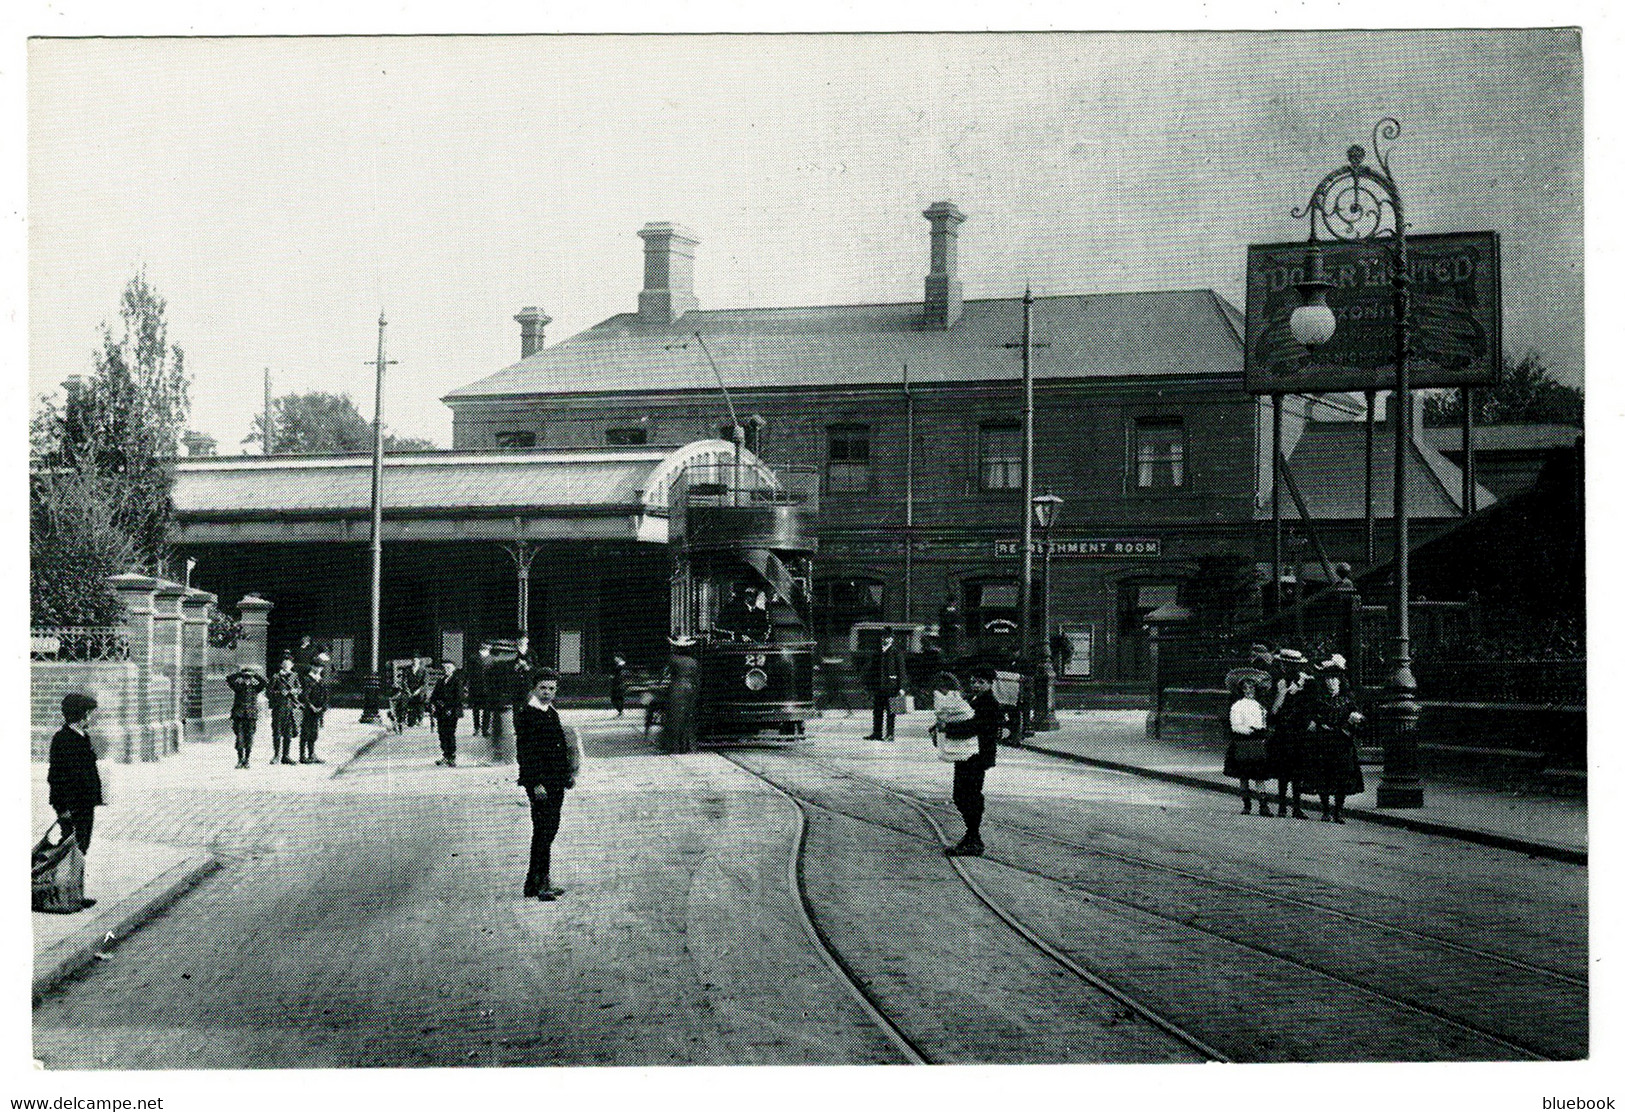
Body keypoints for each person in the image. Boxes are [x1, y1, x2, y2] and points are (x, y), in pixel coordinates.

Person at [514, 668, 581, 901]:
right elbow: (526, 753)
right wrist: (535, 784)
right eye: (543, 688)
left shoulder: (550, 712)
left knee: (548, 831)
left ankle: (536, 881)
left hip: (555, 781)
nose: (547, 692)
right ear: (534, 688)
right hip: (541, 785)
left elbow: (560, 747)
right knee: (543, 832)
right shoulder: (528, 714)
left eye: (552, 688)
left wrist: (568, 775)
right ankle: (539, 883)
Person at [1301, 655, 1366, 823]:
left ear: (1340, 681)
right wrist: (1315, 722)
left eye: (1334, 679)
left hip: (1342, 743)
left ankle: (1339, 810)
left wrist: (1354, 720)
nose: (1331, 682)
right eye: (1328, 679)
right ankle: (1325, 809)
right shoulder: (1319, 699)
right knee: (1323, 775)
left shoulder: (1348, 700)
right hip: (1323, 742)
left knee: (1342, 777)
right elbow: (1311, 718)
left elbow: (1360, 721)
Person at [946, 666, 1002, 856]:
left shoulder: (989, 703)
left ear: (990, 684)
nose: (976, 685)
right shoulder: (973, 700)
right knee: (961, 795)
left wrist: (947, 728)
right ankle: (972, 836)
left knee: (969, 795)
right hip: (966, 754)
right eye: (973, 682)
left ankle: (973, 838)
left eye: (981, 682)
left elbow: (972, 727)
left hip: (977, 756)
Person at [48, 694, 104, 879]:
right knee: (71, 847)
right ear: (82, 715)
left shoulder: (83, 736)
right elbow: (55, 777)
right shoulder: (62, 739)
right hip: (71, 804)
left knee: (82, 845)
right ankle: (66, 890)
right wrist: (62, 808)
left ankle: (74, 890)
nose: (91, 718)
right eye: (89, 714)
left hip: (85, 802)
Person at [1268, 648, 1314, 819]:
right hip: (1283, 732)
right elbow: (1272, 712)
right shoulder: (1279, 683)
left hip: (1298, 731)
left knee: (1297, 771)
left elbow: (1310, 706)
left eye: (1291, 665)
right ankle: (1282, 806)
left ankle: (1296, 807)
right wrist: (1281, 695)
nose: (1287, 667)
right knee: (1283, 771)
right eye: (1285, 664)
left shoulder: (1307, 682)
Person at [1222, 674, 1273, 815]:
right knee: (1244, 775)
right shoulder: (1237, 706)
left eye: (1252, 688)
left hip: (1258, 741)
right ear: (1242, 690)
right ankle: (1246, 804)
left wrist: (1262, 731)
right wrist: (1249, 730)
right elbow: (1235, 726)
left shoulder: (1259, 705)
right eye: (1246, 688)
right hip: (1243, 741)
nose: (1249, 690)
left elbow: (1264, 722)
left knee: (1259, 776)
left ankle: (1263, 805)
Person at [864, 628, 909, 741]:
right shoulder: (877, 652)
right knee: (877, 711)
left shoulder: (896, 652)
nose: (886, 639)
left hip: (891, 687)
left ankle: (890, 734)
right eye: (884, 637)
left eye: (888, 637)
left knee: (891, 712)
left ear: (892, 639)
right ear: (881, 638)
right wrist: (870, 687)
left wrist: (902, 687)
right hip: (879, 687)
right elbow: (872, 671)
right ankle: (877, 733)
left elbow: (902, 671)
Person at [661, 638, 701, 753]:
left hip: (676, 688)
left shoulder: (672, 659)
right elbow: (697, 679)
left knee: (674, 717)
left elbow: (664, 675)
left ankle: (674, 747)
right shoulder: (693, 661)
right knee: (688, 717)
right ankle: (687, 746)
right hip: (690, 689)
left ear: (677, 647)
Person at [226, 665, 268, 769]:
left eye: (249, 677)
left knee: (249, 738)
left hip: (251, 716)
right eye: (245, 677)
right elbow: (228, 679)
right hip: (239, 716)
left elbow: (265, 682)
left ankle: (247, 760)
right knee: (239, 739)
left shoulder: (255, 688)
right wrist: (240, 674)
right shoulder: (238, 687)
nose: (247, 679)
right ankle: (240, 760)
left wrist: (255, 675)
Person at [267, 653, 303, 765]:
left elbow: (299, 688)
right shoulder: (276, 677)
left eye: (289, 663)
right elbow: (269, 692)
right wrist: (279, 693)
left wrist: (294, 691)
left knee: (288, 733)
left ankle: (286, 756)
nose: (287, 665)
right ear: (281, 665)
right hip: (279, 708)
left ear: (292, 665)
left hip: (290, 708)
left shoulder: (294, 676)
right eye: (284, 663)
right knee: (277, 732)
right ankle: (276, 755)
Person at [430, 658, 467, 767]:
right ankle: (445, 755)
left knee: (450, 733)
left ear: (454, 669)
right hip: (441, 711)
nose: (446, 670)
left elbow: (459, 698)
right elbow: (434, 696)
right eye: (445, 668)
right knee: (441, 733)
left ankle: (452, 756)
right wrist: (435, 703)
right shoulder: (441, 681)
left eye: (449, 667)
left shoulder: (457, 681)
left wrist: (448, 706)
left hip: (452, 711)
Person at [299, 658, 329, 763]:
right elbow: (304, 695)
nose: (319, 669)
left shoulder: (321, 679)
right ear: (312, 666)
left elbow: (326, 695)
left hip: (318, 710)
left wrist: (322, 707)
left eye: (321, 667)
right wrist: (311, 706)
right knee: (305, 732)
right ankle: (302, 756)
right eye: (316, 666)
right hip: (308, 710)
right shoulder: (307, 679)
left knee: (314, 733)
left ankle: (312, 754)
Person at [467, 642, 493, 737]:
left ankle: (485, 729)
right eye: (484, 646)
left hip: (488, 687)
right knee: (476, 709)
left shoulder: (491, 659)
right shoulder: (473, 658)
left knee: (487, 709)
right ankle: (477, 727)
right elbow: (469, 672)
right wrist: (468, 684)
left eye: (487, 646)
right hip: (476, 687)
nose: (486, 648)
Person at [402, 655, 430, 729]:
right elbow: (404, 682)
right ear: (412, 661)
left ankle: (420, 718)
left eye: (416, 660)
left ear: (419, 661)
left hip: (420, 691)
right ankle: (410, 718)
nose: (415, 662)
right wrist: (408, 691)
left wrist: (418, 691)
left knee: (420, 699)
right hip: (409, 690)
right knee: (406, 699)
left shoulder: (424, 670)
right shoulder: (407, 670)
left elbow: (425, 683)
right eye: (413, 660)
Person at [937, 591, 963, 661]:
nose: (954, 603)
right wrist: (953, 625)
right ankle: (946, 659)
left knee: (953, 647)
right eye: (952, 602)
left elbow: (959, 620)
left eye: (954, 602)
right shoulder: (944, 611)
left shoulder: (956, 611)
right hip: (946, 632)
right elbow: (944, 621)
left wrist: (958, 625)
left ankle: (952, 659)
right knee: (946, 647)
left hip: (953, 633)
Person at [608, 651, 628, 717]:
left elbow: (619, 674)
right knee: (618, 698)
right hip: (618, 683)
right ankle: (620, 711)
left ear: (619, 657)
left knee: (615, 698)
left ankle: (621, 711)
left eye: (615, 657)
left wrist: (613, 676)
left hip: (619, 684)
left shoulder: (621, 666)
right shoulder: (619, 665)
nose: (614, 659)